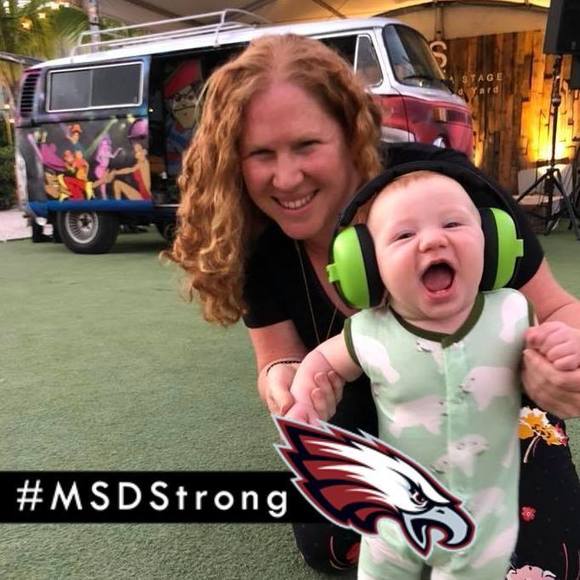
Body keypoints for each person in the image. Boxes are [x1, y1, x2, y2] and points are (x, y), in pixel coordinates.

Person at [167, 33, 580, 578]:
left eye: (307, 145)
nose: (286, 178)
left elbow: (559, 310)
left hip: (494, 396)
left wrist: (559, 367)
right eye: (261, 154)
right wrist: (289, 384)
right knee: (328, 545)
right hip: (371, 399)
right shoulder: (255, 235)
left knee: (549, 563)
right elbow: (275, 358)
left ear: (352, 132)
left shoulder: (449, 191)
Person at [285, 170, 580, 579]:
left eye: (453, 224)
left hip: (485, 506)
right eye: (404, 235)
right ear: (369, 268)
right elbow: (322, 360)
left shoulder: (512, 312)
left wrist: (563, 346)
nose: (432, 241)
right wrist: (304, 396)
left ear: (491, 241)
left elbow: (546, 345)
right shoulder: (369, 331)